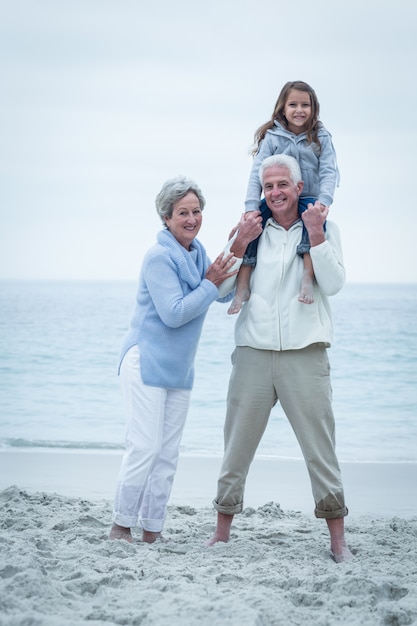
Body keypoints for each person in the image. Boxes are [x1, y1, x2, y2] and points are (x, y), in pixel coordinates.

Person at [208, 155, 353, 563]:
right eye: (268, 186)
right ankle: (222, 532)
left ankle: (338, 539)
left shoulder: (322, 226)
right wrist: (237, 243)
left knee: (320, 450)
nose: (275, 193)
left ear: (298, 184)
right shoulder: (251, 229)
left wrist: (317, 235)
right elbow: (219, 290)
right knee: (236, 446)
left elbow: (335, 284)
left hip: (305, 355)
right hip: (253, 353)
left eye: (282, 185)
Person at [109, 175, 262, 544]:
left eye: (196, 211)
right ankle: (120, 527)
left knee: (167, 455)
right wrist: (210, 283)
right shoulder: (159, 256)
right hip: (145, 362)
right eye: (182, 212)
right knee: (144, 448)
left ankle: (152, 531)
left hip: (179, 370)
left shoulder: (197, 253)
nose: (191, 218)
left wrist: (238, 245)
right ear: (166, 217)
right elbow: (175, 313)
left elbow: (220, 294)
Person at [228, 80, 339, 314]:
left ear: (313, 108)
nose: (299, 110)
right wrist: (251, 207)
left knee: (312, 227)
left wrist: (324, 202)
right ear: (283, 108)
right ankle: (242, 284)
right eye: (293, 104)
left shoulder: (321, 137)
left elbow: (329, 170)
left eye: (305, 105)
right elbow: (256, 175)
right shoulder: (272, 137)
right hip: (276, 197)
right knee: (251, 228)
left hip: (309, 196)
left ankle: (307, 277)